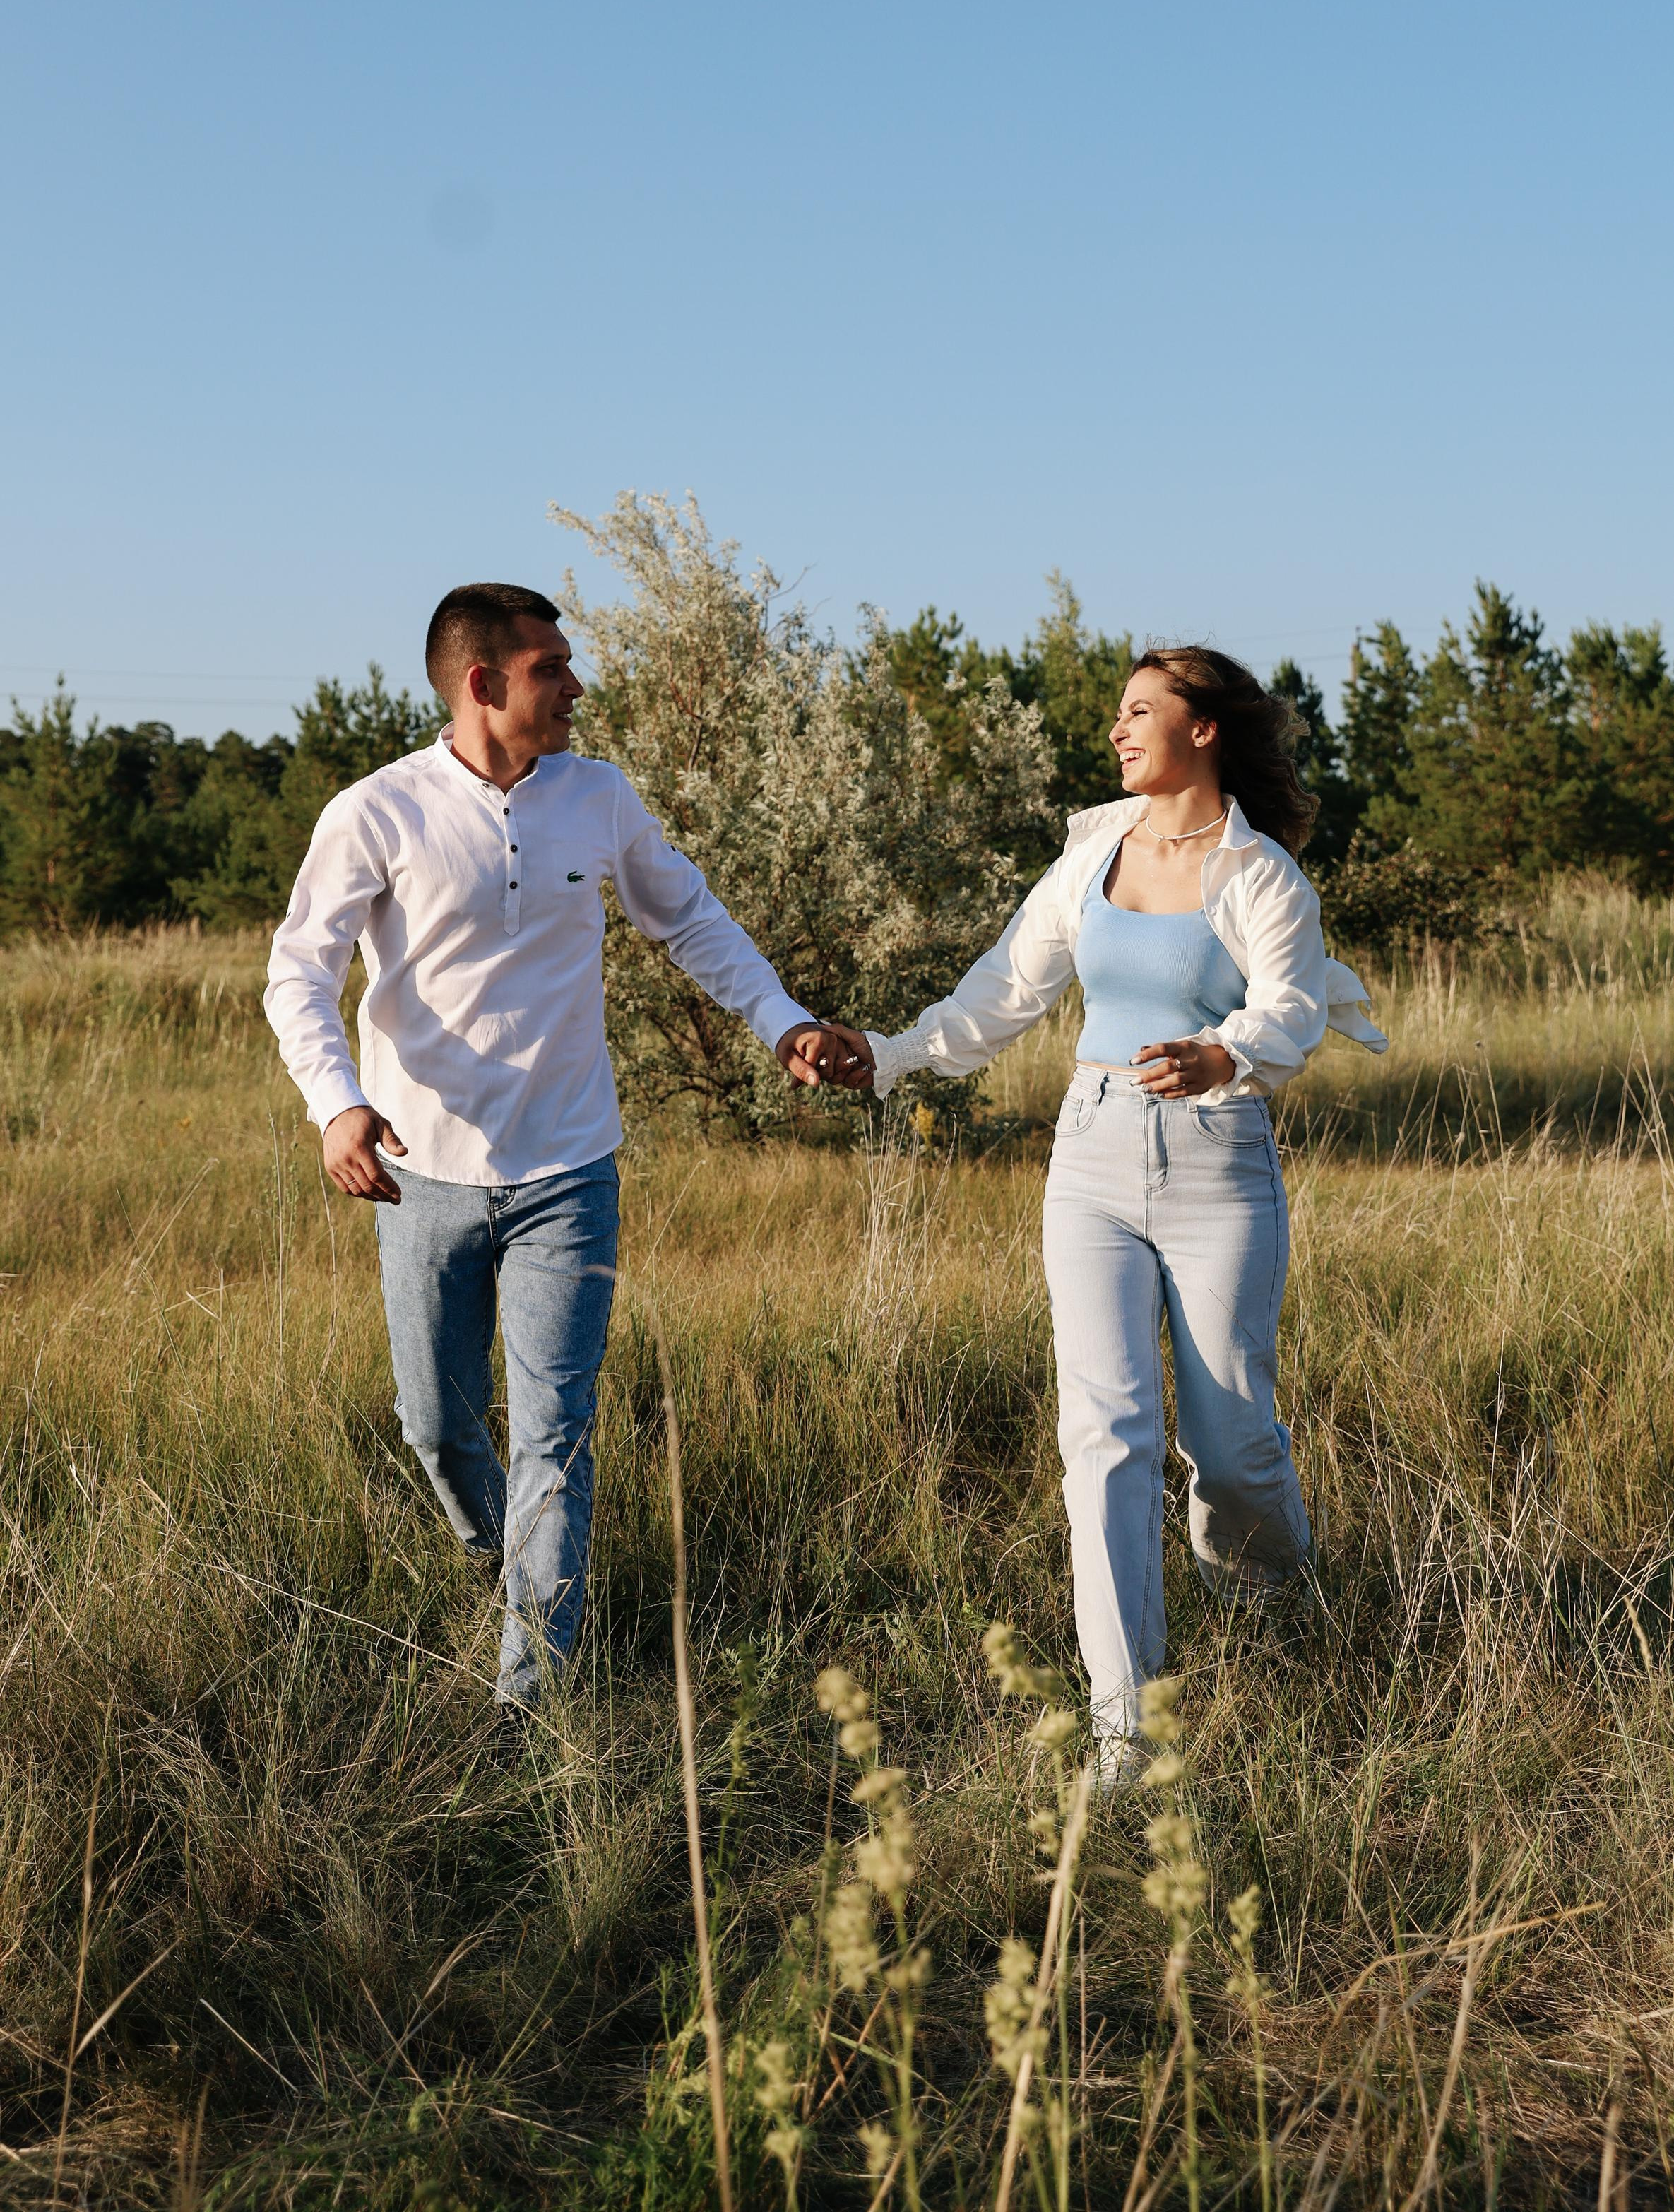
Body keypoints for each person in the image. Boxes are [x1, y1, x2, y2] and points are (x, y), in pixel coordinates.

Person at [264, 580, 860, 1713]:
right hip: (422, 1174)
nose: (577, 686)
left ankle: (529, 1699)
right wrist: (335, 1102)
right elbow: (301, 971)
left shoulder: (598, 797)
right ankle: (512, 1570)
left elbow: (688, 916)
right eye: (552, 669)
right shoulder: (377, 811)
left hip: (570, 1168)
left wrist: (781, 1023)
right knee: (437, 1430)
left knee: (556, 1435)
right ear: (484, 685)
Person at [848, 646, 1386, 1781]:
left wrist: (1220, 1052)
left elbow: (1289, 1006)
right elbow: (1000, 993)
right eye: (1118, 713)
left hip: (1213, 1160)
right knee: (1104, 1436)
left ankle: (1269, 1614)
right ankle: (1123, 1728)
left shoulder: (1259, 874)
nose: (1116, 730)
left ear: (1204, 730)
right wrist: (890, 1057)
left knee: (1230, 1442)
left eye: (1141, 711)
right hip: (1088, 1154)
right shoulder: (1089, 858)